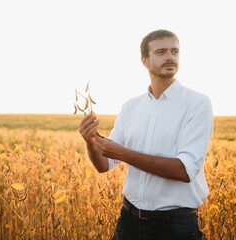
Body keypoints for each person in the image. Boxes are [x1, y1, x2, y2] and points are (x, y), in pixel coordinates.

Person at [79, 29, 213, 240]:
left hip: (175, 227)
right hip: (129, 222)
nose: (170, 57)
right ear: (145, 61)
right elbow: (104, 165)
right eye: (161, 52)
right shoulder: (130, 107)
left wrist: (123, 153)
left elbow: (185, 171)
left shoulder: (197, 104)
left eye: (175, 51)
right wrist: (90, 142)